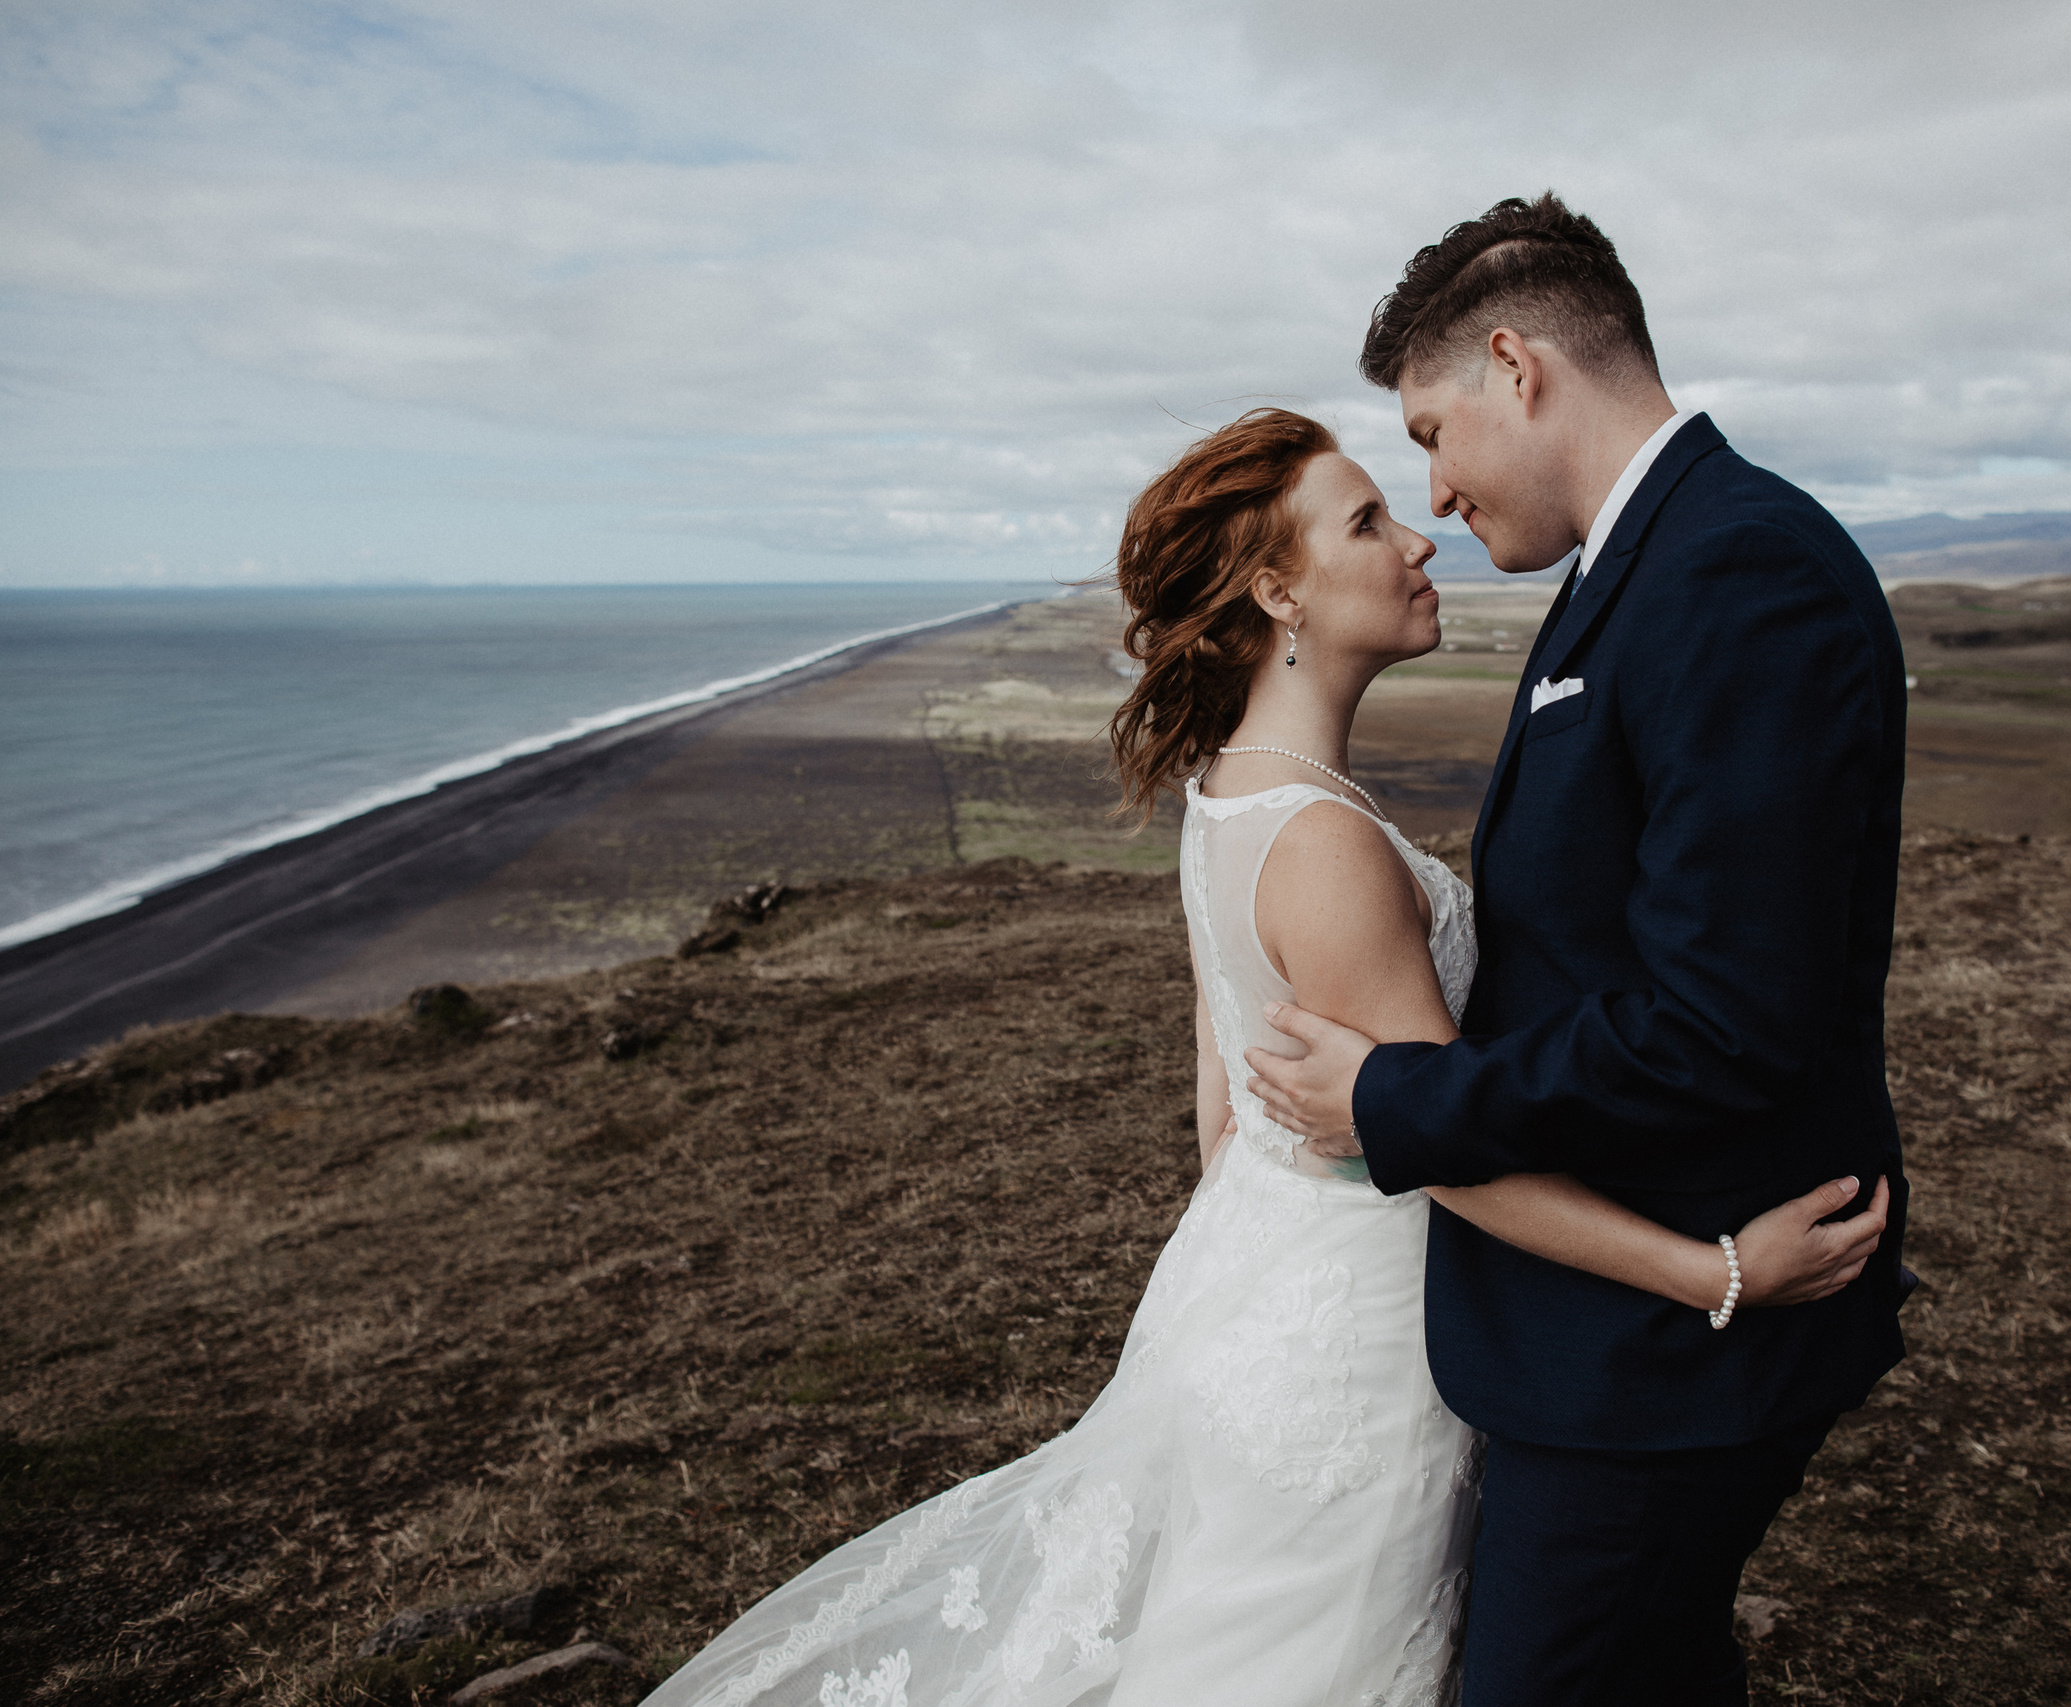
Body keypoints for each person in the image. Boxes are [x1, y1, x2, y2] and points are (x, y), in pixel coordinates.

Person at [638, 405, 1886, 1707]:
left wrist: (1240, 1288)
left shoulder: (1229, 791)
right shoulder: (1325, 844)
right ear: (1280, 593)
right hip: (1352, 1344)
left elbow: (1224, 1104)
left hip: (1255, 1289)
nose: (1421, 539)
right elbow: (1442, 1146)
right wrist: (1716, 1271)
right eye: (1367, 522)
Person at [1243, 193, 1913, 1707]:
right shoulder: (1637, 567)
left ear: (1516, 365)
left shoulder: (1738, 572)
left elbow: (1724, 1020)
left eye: (1432, 432)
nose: (1435, 487)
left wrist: (1397, 1100)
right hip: (1609, 1329)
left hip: (1679, 1354)